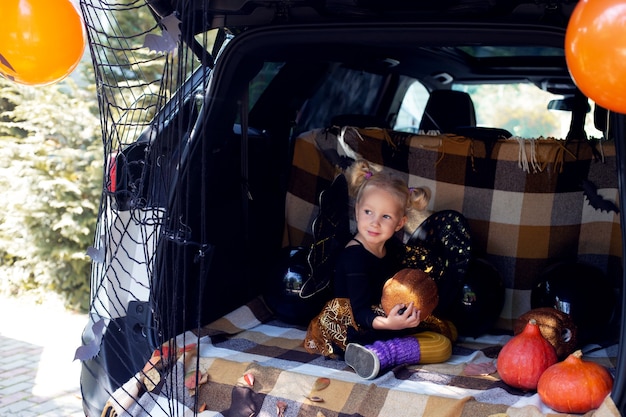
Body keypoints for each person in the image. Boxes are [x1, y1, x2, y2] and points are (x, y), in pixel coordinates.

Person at [304, 159, 452, 379]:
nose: (375, 223)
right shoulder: (354, 256)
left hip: (382, 320)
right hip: (355, 327)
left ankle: (381, 352)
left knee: (444, 339)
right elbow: (361, 311)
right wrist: (389, 323)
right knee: (441, 346)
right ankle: (375, 354)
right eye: (368, 212)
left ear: (400, 224)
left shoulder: (390, 248)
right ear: (356, 211)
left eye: (386, 217)